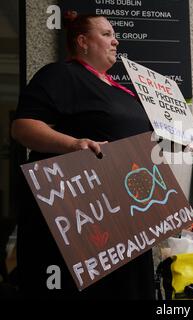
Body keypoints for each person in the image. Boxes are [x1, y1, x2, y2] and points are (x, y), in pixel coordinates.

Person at [11, 12, 155, 299]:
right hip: (84, 219)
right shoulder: (61, 75)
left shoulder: (126, 93)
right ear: (82, 42)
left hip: (130, 219)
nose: (115, 40)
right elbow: (23, 127)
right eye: (105, 34)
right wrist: (74, 144)